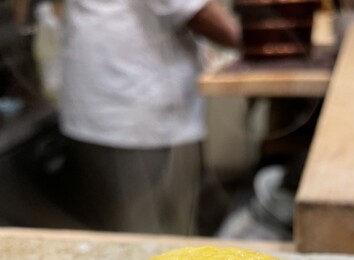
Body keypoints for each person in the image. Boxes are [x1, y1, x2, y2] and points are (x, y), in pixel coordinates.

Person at [59, 0, 240, 234]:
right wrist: (257, 38)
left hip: (114, 106)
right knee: (148, 237)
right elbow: (196, 11)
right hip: (134, 113)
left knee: (128, 232)